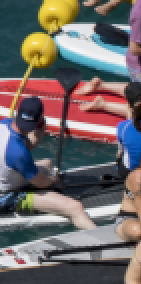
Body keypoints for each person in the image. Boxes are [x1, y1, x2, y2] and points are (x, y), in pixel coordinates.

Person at [0, 96, 92, 230]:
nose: (27, 128)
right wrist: (54, 180)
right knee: (76, 208)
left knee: (48, 163)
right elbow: (40, 182)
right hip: (8, 195)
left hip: (7, 178)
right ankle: (100, 239)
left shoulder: (5, 123)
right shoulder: (18, 152)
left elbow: (28, 145)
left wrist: (40, 127)